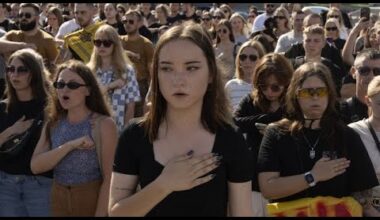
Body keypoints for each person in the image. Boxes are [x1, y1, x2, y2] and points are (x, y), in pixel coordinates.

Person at [108, 22, 253, 217]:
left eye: (191, 68)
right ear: (156, 75)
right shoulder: (134, 135)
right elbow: (116, 213)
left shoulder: (231, 139)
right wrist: (165, 184)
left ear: (211, 73)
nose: (178, 79)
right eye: (167, 69)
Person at [257, 62, 378, 205]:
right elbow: (267, 189)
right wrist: (313, 176)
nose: (315, 97)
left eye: (321, 91)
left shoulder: (346, 135)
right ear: (296, 95)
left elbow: (363, 196)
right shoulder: (277, 133)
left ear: (329, 94)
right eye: (307, 92)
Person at [30, 60, 118, 216]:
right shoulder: (53, 122)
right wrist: (70, 145)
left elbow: (109, 177)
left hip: (89, 197)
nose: (64, 89)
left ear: (88, 91)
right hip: (58, 197)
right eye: (60, 84)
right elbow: (36, 166)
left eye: (72, 85)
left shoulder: (103, 124)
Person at [234, 53, 294, 216]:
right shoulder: (251, 100)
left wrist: (277, 126)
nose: (269, 91)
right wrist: (264, 120)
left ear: (286, 83)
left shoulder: (293, 103)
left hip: (284, 178)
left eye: (275, 87)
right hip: (254, 180)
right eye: (263, 86)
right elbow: (234, 122)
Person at [0, 48, 52, 216]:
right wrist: (11, 132)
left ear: (35, 73)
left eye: (22, 70)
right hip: (6, 184)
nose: (14, 75)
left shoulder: (51, 107)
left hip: (41, 184)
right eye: (10, 69)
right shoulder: (2, 107)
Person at [88, 25, 141, 133]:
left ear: (115, 45)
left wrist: (125, 134)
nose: (101, 46)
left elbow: (130, 107)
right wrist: (110, 86)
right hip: (91, 129)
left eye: (106, 43)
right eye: (98, 42)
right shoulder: (89, 70)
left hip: (117, 129)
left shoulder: (127, 71)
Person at [349, 76, 380, 216]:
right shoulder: (353, 132)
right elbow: (349, 180)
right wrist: (370, 210)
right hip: (365, 209)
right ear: (368, 101)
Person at [4, 3, 59, 74]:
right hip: (13, 81)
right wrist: (22, 46)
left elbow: (56, 68)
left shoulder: (47, 40)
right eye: (21, 15)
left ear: (37, 18)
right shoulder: (12, 35)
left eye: (27, 15)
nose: (23, 18)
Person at [120, 10, 154, 118]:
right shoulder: (119, 41)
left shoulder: (146, 44)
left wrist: (151, 92)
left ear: (139, 23)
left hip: (139, 86)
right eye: (125, 21)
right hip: (120, 85)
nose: (127, 24)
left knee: (137, 122)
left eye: (131, 21)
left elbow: (152, 71)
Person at [340, 49, 380, 124]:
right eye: (364, 70)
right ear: (353, 72)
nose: (371, 76)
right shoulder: (341, 111)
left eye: (378, 71)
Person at [225, 39, 265, 112]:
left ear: (261, 60)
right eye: (243, 57)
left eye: (252, 58)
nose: (247, 61)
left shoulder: (266, 86)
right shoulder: (231, 86)